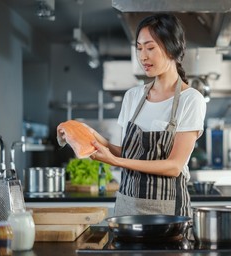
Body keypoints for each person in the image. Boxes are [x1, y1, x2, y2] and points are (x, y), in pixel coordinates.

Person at [63, 13, 206, 217]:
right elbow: (127, 152)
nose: (142, 57)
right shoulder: (133, 96)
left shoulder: (191, 99)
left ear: (171, 47)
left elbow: (174, 166)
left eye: (150, 48)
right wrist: (87, 134)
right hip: (126, 205)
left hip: (168, 212)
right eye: (139, 48)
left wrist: (115, 162)